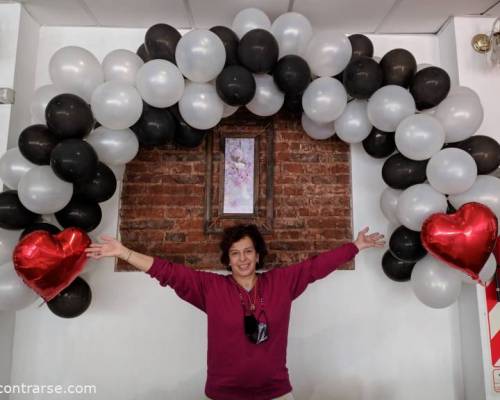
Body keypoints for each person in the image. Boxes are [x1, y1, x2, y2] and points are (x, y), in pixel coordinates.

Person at [85, 224, 385, 400]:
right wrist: (123, 253)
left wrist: (354, 247)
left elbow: (315, 267)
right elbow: (168, 271)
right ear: (227, 259)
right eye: (235, 253)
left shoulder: (281, 282)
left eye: (248, 251)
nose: (242, 259)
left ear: (258, 255)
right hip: (224, 393)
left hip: (276, 392)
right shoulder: (210, 288)